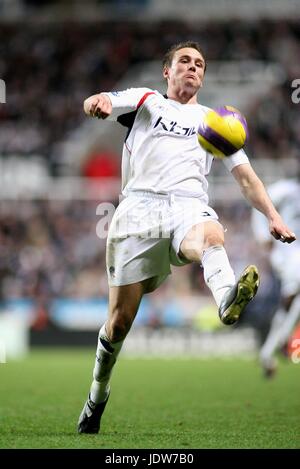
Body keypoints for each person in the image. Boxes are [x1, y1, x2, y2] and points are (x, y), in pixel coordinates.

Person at [77, 41, 296, 433]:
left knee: (212, 235)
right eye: (185, 61)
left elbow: (246, 178)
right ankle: (97, 394)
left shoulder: (215, 121)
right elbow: (101, 99)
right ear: (167, 71)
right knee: (118, 324)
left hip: (188, 206)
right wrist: (97, 104)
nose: (193, 68)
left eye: (200, 64)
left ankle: (228, 294)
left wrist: (273, 217)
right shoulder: (145, 101)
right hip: (138, 211)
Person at [251, 173, 300, 377]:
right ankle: (281, 341)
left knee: (294, 299)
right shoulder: (286, 188)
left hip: (297, 252)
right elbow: (260, 205)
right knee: (296, 287)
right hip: (285, 250)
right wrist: (263, 236)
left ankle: (269, 351)